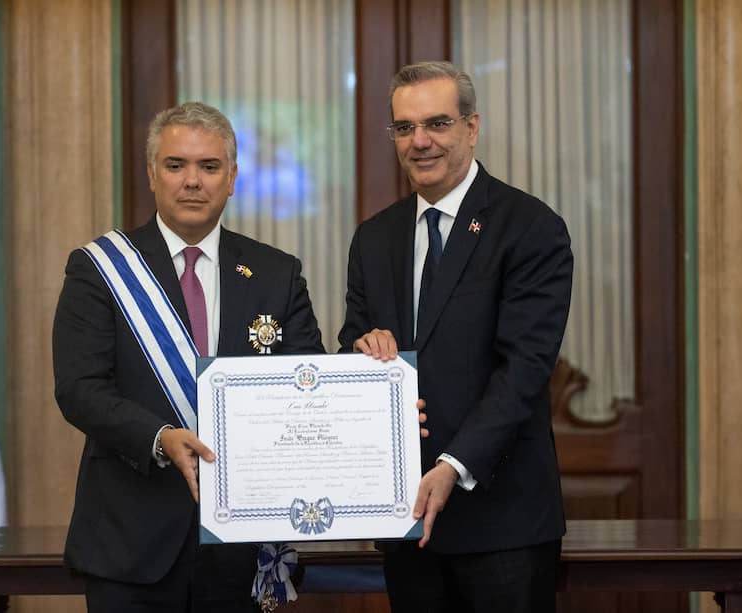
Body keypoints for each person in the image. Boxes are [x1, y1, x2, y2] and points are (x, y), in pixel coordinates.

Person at [52, 102, 325, 612]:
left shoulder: (275, 272)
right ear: (152, 174)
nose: (192, 181)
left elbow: (306, 388)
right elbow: (79, 389)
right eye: (176, 165)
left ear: (233, 178)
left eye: (209, 166)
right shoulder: (99, 269)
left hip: (241, 546)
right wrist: (159, 437)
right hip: (131, 543)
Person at [339, 61, 573, 613]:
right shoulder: (374, 238)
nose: (420, 141)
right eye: (404, 127)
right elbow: (354, 339)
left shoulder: (530, 227)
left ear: (472, 126)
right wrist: (364, 349)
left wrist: (453, 465)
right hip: (407, 518)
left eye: (437, 123)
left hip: (503, 523)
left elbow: (524, 370)